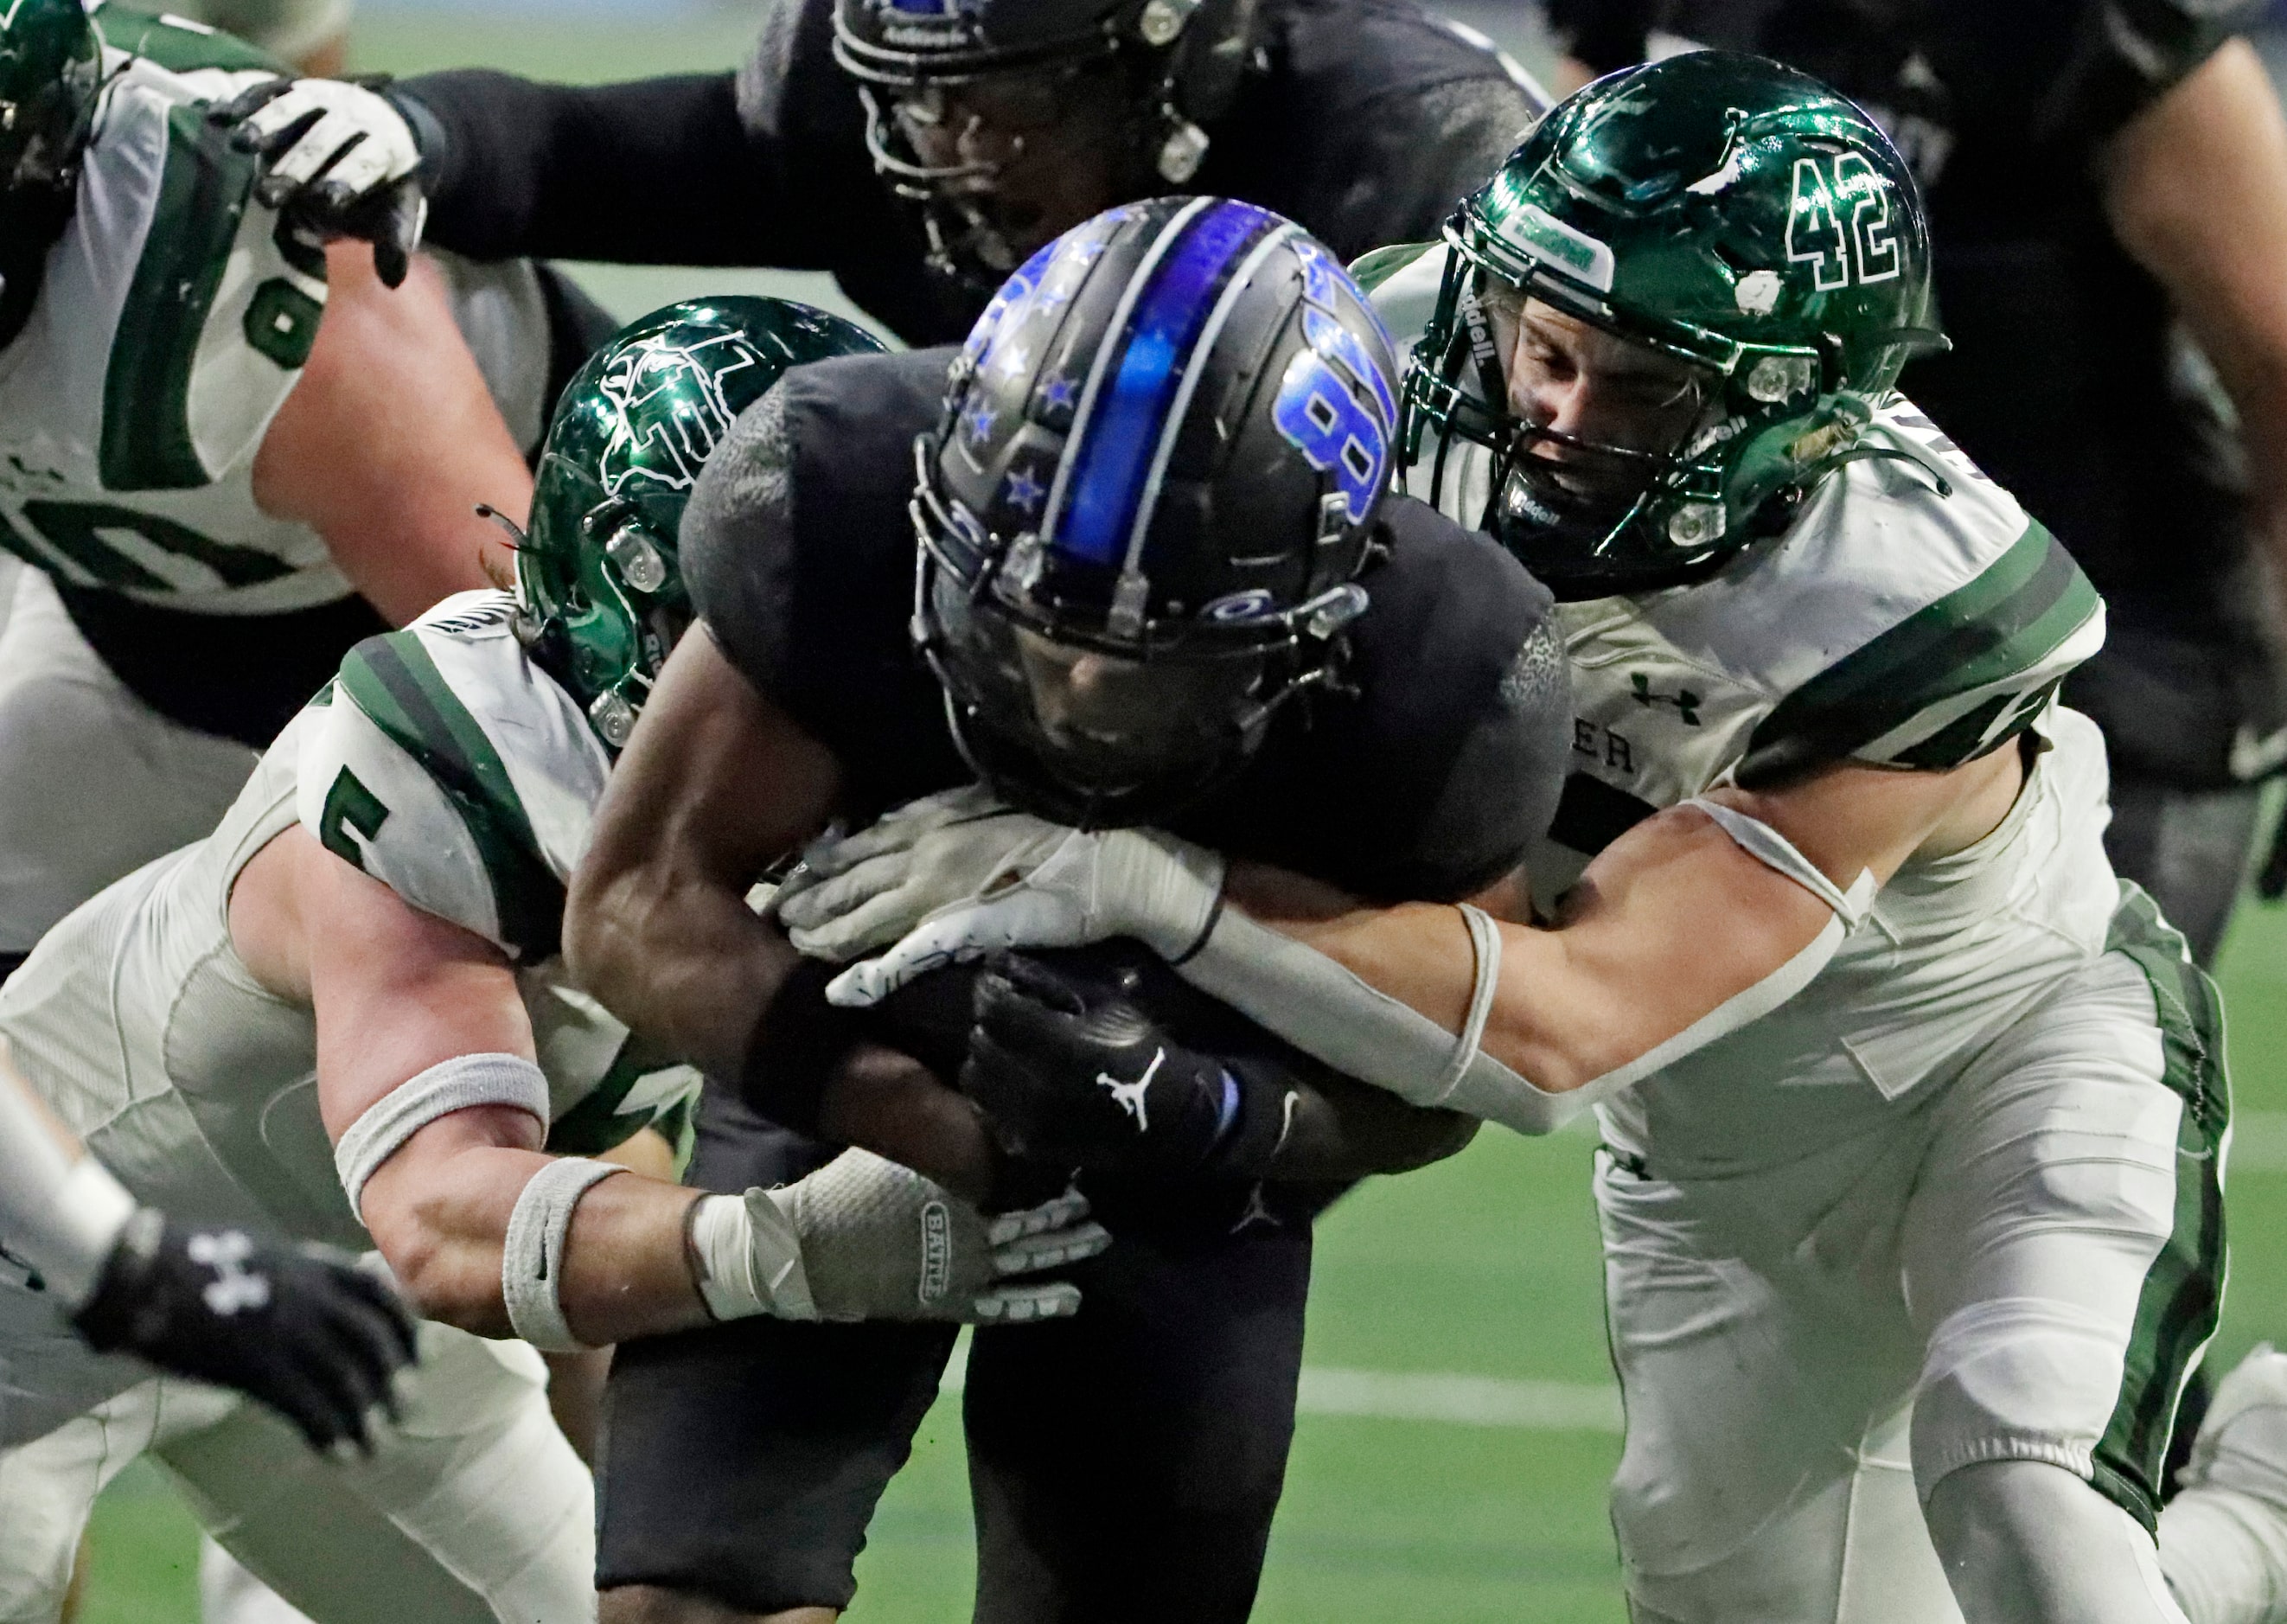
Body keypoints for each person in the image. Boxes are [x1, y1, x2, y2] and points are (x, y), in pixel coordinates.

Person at [792, 58, 2286, 1624]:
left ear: (1808, 411)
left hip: (2003, 1056)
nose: (1558, 409)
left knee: (2028, 1496)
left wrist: (1151, 885)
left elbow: (1569, 1020)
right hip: (1711, 1155)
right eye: (1543, 345)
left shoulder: (1910, 601)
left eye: (1641, 382)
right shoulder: (1390, 346)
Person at [0, 295, 1107, 1624]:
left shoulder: (708, 783)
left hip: (320, 1296)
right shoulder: (440, 764)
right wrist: (775, 1247)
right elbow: (444, 1207)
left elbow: (588, 1146)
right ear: (650, 613)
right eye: (791, 624)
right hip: (49, 1271)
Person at [561, 198, 1574, 1622]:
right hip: (844, 1025)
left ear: (1321, 611)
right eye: (1040, 619)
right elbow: (638, 901)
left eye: (1155, 653)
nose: (1085, 691)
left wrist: (1207, 1112)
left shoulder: (1450, 681)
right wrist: (912, 1122)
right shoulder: (831, 492)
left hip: (1193, 1122)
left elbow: (1452, 1073)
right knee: (683, 1603)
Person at [1526, 0, 2287, 967]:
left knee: (2051, 1068)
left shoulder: (2101, 35)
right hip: (1808, 623)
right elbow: (1568, 267)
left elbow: (2275, 372)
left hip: (2108, 645)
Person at [0, 0, 613, 983]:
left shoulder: (226, 282)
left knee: (550, 975)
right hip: (138, 614)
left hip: (449, 610)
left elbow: (551, 683)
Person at [211, 0, 1548, 347]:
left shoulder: (1407, 160)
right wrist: (418, 133)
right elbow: (588, 155)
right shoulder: (858, 125)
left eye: (1008, 93)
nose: (950, 139)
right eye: (917, 92)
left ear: (1170, 68)